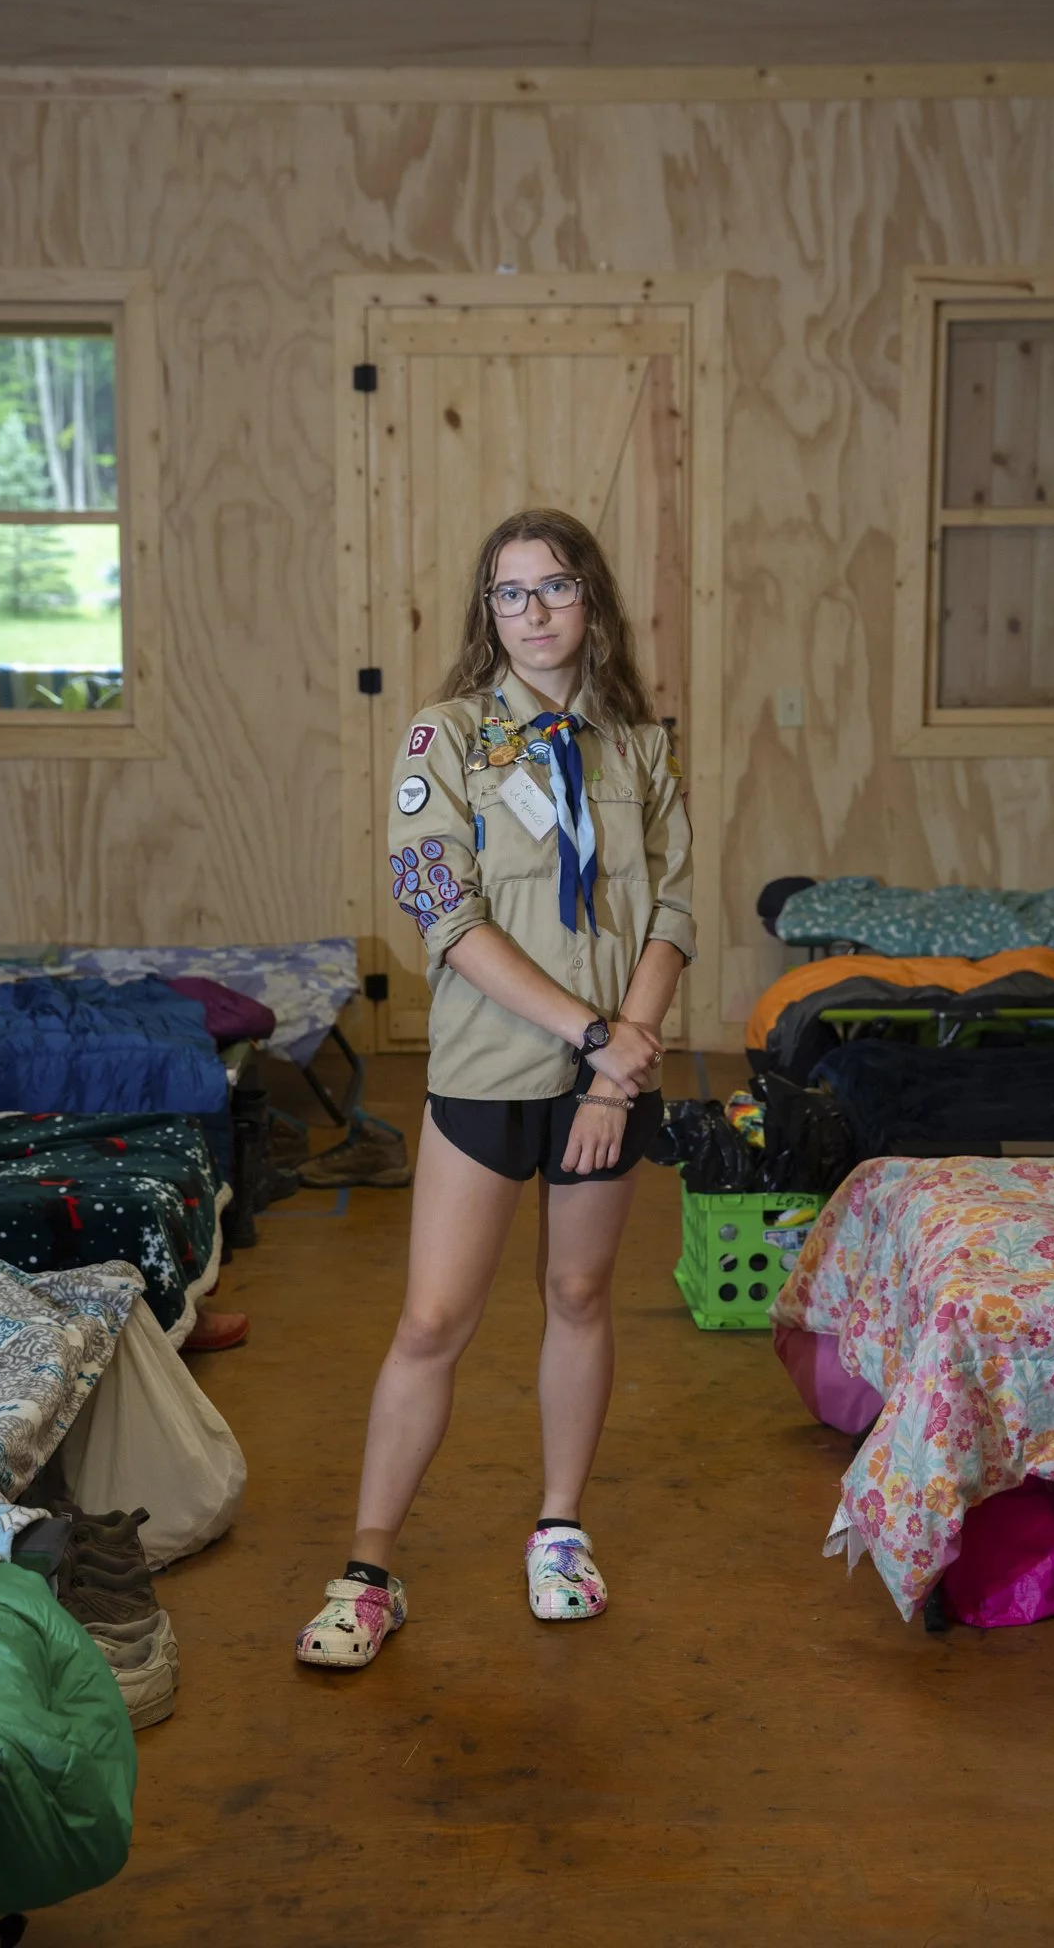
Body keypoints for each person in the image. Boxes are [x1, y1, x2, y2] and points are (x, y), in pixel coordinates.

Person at [297, 506, 695, 1670]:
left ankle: (560, 1529)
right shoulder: (445, 740)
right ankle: (370, 1569)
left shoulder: (640, 743)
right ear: (488, 613)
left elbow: (671, 907)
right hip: (490, 1069)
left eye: (555, 587)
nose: (532, 613)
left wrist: (625, 1057)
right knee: (432, 1320)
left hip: (605, 1081)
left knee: (578, 1297)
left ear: (593, 603)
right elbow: (442, 911)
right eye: (508, 593)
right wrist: (589, 1032)